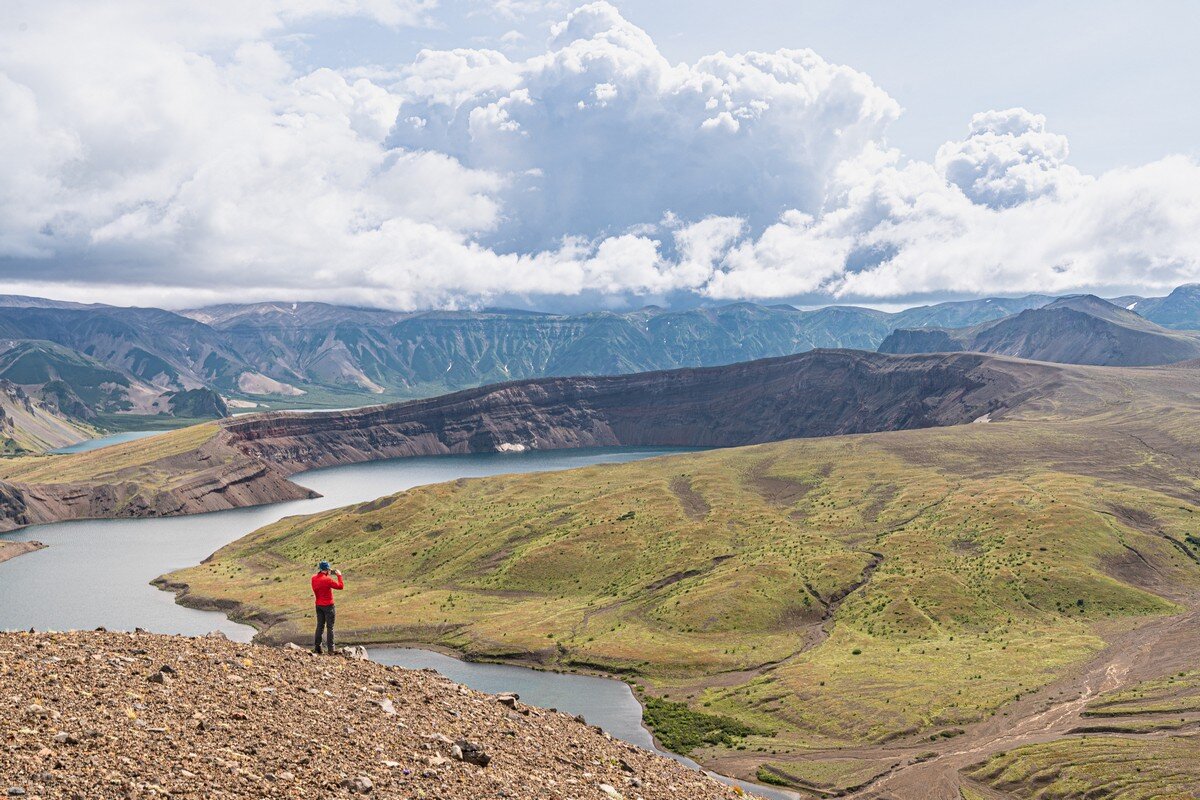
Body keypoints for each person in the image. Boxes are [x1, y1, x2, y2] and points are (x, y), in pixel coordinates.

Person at [311, 560, 344, 654]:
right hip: (329, 605)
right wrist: (339, 576)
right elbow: (340, 586)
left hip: (318, 605)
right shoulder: (327, 580)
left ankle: (318, 647)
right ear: (326, 570)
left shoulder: (313, 578)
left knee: (320, 626)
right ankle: (331, 649)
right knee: (330, 627)